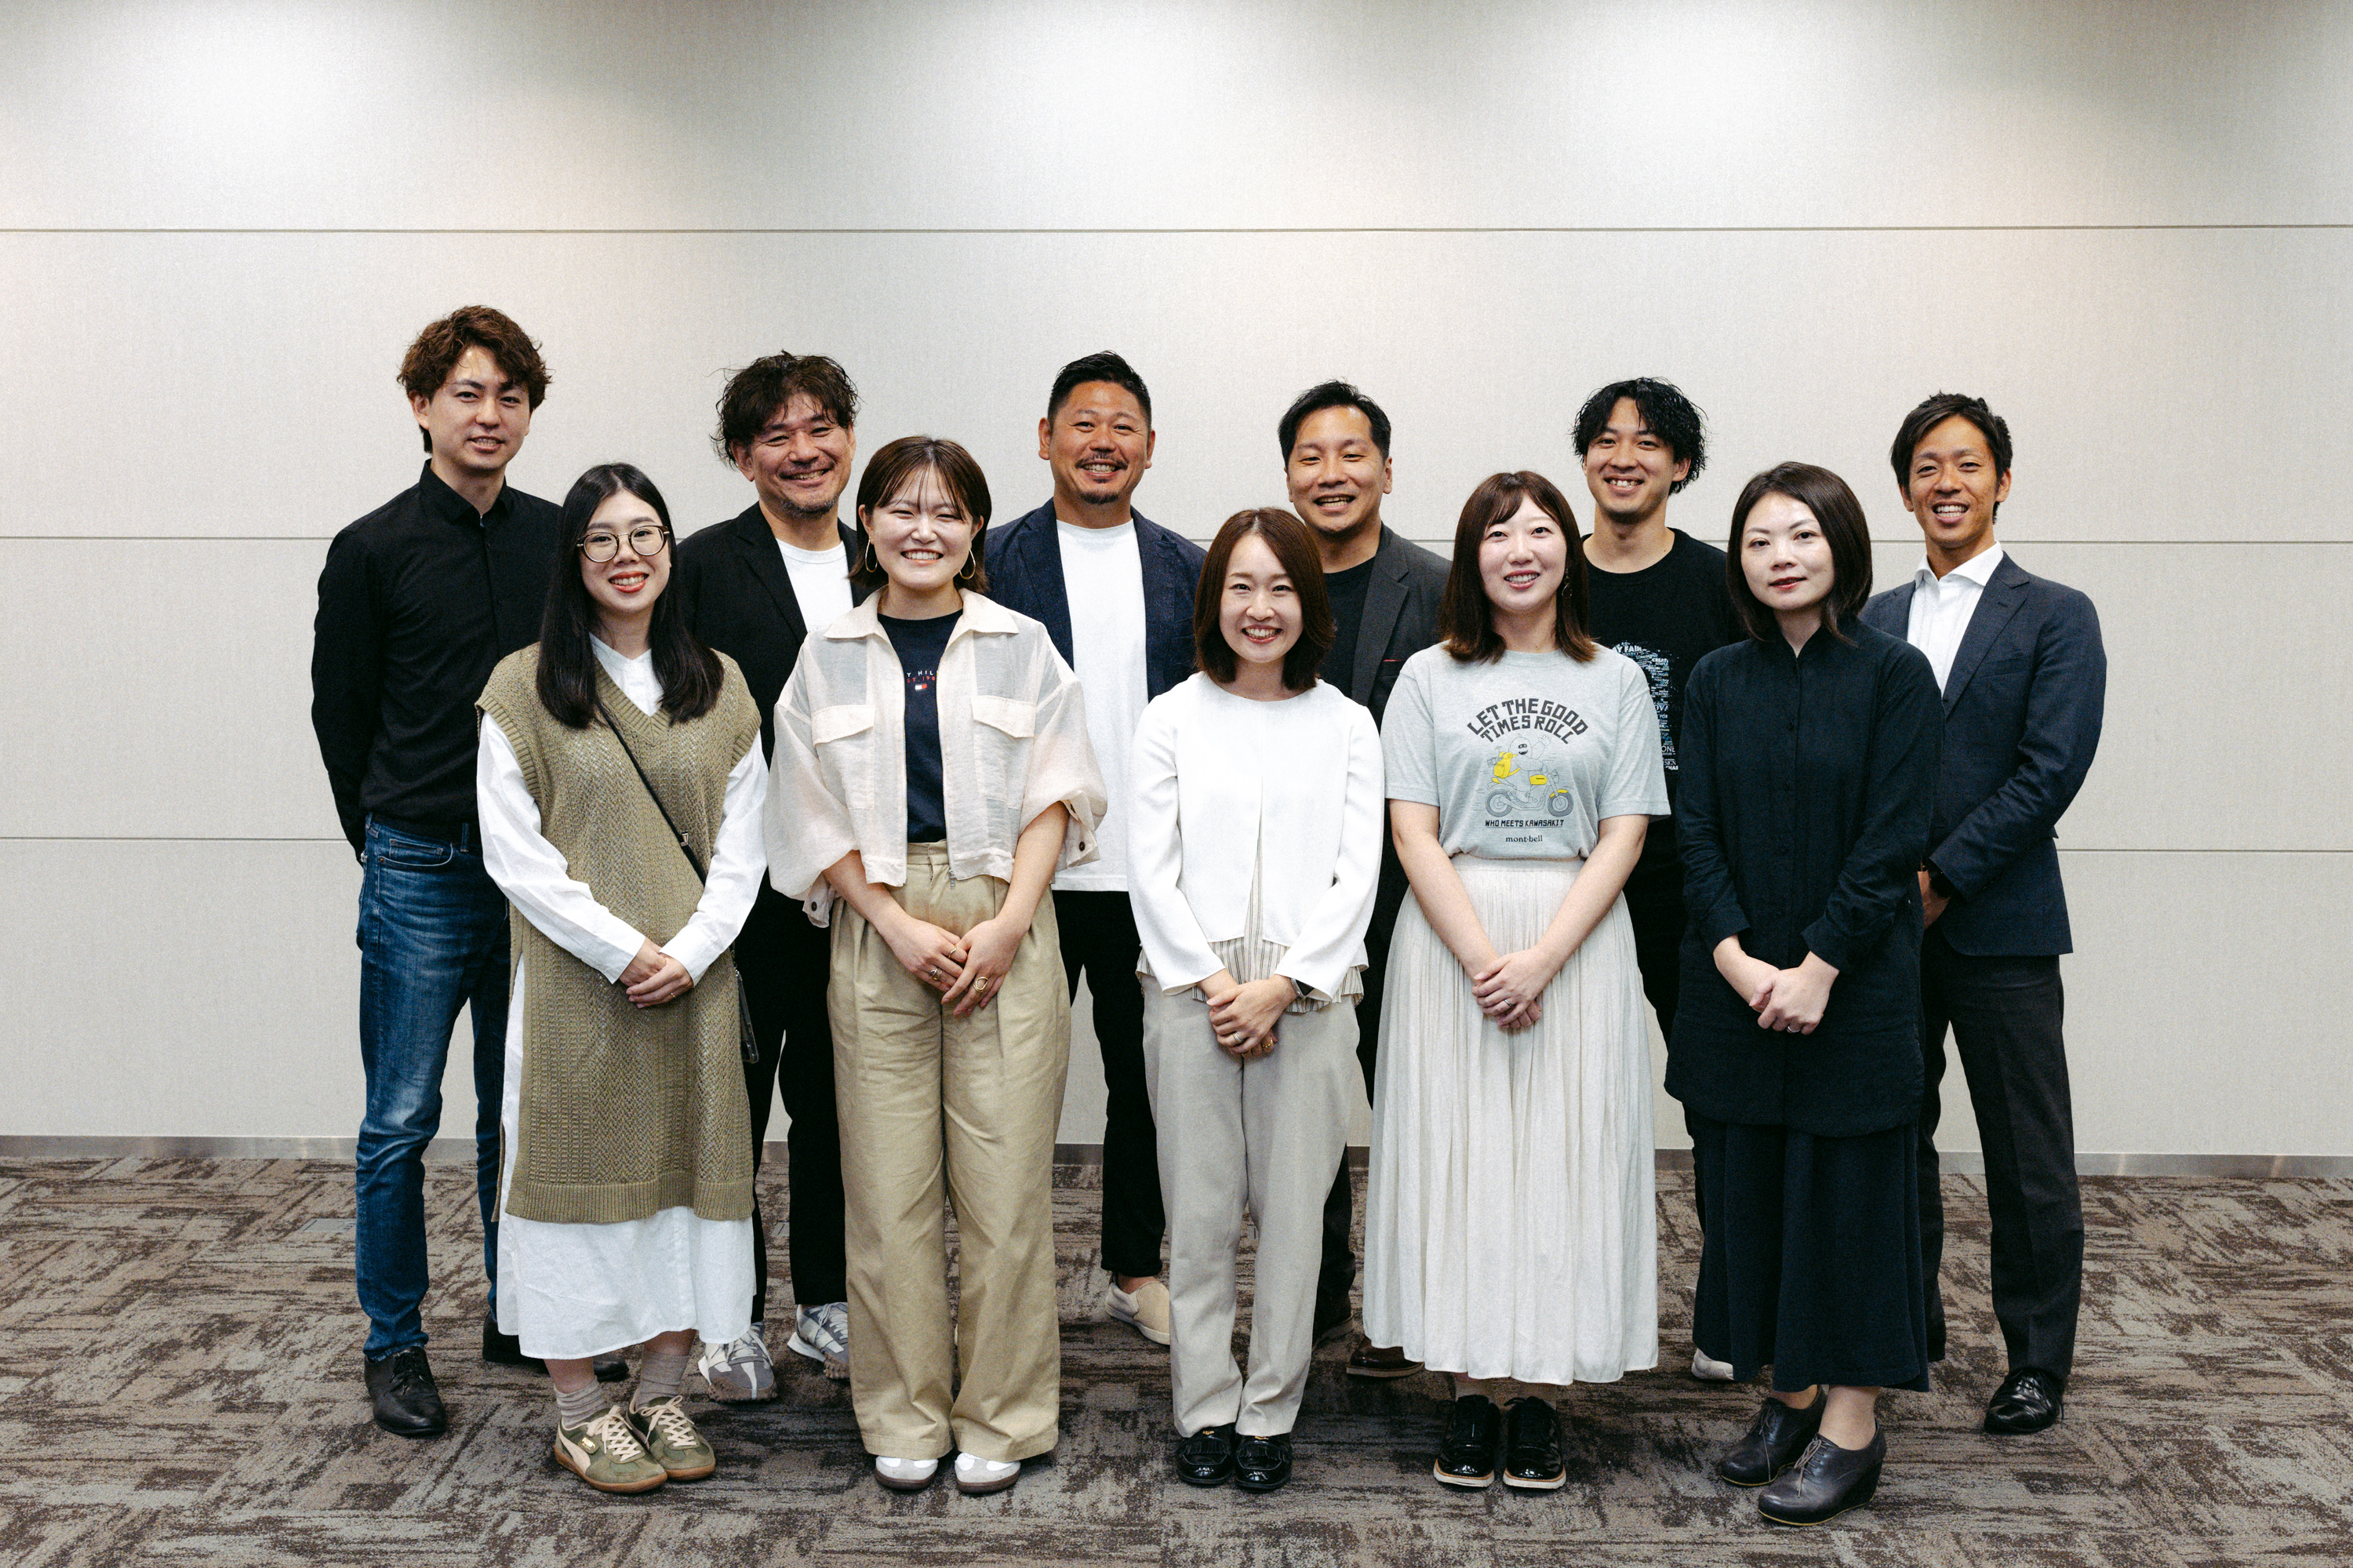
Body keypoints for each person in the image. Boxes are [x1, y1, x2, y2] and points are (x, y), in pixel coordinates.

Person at [764, 436, 1107, 1497]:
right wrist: (890, 920)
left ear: (976, 528)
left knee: (1005, 1193)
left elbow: (1061, 792)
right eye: (903, 509)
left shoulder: (1022, 645)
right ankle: (904, 1410)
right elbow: (804, 811)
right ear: (867, 523)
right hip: (879, 925)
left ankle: (1003, 1412)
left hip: (1006, 914)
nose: (925, 529)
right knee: (886, 1192)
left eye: (948, 511)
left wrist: (1009, 923)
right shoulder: (827, 652)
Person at [1364, 471, 1667, 1493]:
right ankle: (1466, 1384)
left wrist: (1541, 957)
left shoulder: (1616, 680)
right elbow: (1411, 829)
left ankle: (1539, 1392)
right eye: (1498, 534)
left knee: (1563, 1158)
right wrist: (1483, 955)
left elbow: (1625, 832)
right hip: (1454, 933)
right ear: (1471, 556)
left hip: (1575, 935)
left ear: (1569, 551)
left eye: (1540, 530)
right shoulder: (1427, 676)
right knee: (1462, 1157)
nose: (1521, 550)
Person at [475, 463, 765, 1493]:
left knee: (690, 1187)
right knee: (571, 1187)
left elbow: (746, 845)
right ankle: (580, 1411)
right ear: (573, 558)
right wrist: (624, 950)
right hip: (576, 991)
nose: (627, 554)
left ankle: (662, 1391)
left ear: (671, 548)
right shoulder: (524, 686)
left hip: (696, 984)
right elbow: (515, 854)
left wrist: (688, 952)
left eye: (646, 532)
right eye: (601, 537)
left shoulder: (719, 684)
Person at [1667, 462, 1942, 1526]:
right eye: (1759, 540)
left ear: (1843, 547)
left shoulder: (1895, 675)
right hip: (1734, 991)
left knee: (1853, 1209)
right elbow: (1694, 832)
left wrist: (1820, 965)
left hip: (1854, 992)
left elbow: (1893, 837)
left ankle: (1853, 1425)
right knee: (1751, 1197)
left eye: (1803, 535)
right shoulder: (1714, 679)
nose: (1781, 556)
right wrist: (1737, 959)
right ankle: (1787, 1398)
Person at [310, 305, 566, 1437]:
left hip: (533, 875)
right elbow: (341, 713)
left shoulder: (558, 539)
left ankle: (522, 1311)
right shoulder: (372, 547)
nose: (489, 414)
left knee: (520, 1113)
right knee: (401, 1118)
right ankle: (395, 1341)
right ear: (421, 404)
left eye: (510, 395)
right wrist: (383, 840)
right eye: (467, 392)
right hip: (419, 863)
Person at [1861, 394, 2106, 1435]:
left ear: (2002, 480)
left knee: (2027, 1152)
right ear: (1904, 488)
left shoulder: (2056, 613)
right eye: (1927, 466)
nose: (1946, 482)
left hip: (2001, 924)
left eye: (1966, 463)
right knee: (1889, 1134)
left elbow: (2049, 770)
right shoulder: (1871, 616)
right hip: (1883, 929)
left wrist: (1943, 877)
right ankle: (1904, 1329)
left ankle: (2037, 1361)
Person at [1128, 508, 1385, 1495]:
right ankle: (1204, 1403)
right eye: (1241, 586)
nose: (1260, 607)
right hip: (1190, 991)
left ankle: (1270, 1407)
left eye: (1281, 587)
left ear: (1307, 603)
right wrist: (1216, 985)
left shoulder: (1347, 723)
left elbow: (1358, 872)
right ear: (1213, 601)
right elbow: (1151, 870)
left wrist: (1282, 986)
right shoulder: (1171, 717)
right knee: (1197, 1220)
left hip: (1308, 994)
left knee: (1293, 1222)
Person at [987, 351, 1205, 1347]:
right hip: (1025, 873)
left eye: (1123, 426)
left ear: (1150, 448)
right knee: (1008, 1087)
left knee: (1145, 1084)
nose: (1102, 442)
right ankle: (1009, 1277)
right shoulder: (991, 560)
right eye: (1083, 422)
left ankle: (1134, 1268)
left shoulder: (1191, 569)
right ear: (1045, 438)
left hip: (1150, 873)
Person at [670, 351, 864, 1395]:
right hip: (740, 893)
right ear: (744, 457)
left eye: (821, 426)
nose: (805, 449)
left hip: (863, 894)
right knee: (729, 1115)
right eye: (777, 434)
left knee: (839, 1108)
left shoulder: (888, 553)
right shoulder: (700, 568)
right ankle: (730, 1317)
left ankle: (828, 1302)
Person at [1571, 377, 1745, 1382]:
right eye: (1605, 439)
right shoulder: (1548, 572)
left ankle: (1729, 1308)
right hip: (1568, 881)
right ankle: (1563, 1303)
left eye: (1648, 441)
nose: (1623, 456)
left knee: (1715, 1096)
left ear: (1681, 464)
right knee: (1566, 1095)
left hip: (1689, 880)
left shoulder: (1723, 584)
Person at [1278, 379, 1450, 1378]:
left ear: (1387, 468)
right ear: (1288, 473)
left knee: (1411, 1100)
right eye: (1311, 456)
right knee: (1302, 1108)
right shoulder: (1259, 580)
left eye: (1352, 454)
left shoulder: (1438, 587)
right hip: (1287, 890)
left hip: (1405, 891)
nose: (1331, 473)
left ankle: (1405, 1305)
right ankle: (1314, 1299)